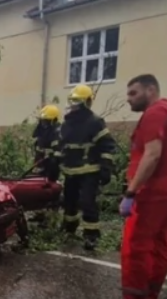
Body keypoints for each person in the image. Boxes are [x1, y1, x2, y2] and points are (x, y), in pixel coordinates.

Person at [107, 74, 167, 299]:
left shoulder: (155, 113)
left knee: (136, 247)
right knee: (160, 246)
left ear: (150, 89)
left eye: (133, 93)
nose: (129, 98)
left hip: (152, 194)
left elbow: (152, 155)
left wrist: (131, 192)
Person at [55, 84, 116, 250]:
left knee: (88, 202)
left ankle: (91, 236)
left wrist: (105, 168)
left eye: (77, 102)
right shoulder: (67, 123)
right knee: (69, 201)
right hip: (70, 170)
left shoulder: (94, 122)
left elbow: (107, 145)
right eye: (73, 102)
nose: (74, 106)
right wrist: (55, 159)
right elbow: (62, 145)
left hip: (90, 170)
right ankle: (69, 229)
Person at [29, 104, 62, 227]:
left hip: (51, 167)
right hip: (41, 166)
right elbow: (39, 149)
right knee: (39, 191)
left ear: (53, 120)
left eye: (46, 120)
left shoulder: (56, 132)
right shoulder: (42, 131)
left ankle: (50, 219)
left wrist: (52, 167)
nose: (44, 123)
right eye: (42, 120)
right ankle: (40, 214)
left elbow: (57, 152)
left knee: (51, 193)